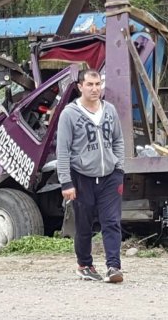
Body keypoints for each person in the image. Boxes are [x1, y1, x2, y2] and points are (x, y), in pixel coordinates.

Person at [57, 69, 126, 283]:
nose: (95, 89)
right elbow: (63, 150)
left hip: (109, 177)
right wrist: (66, 182)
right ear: (80, 87)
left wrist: (120, 168)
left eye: (98, 84)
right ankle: (84, 264)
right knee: (84, 225)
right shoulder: (69, 113)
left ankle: (113, 267)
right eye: (90, 84)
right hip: (82, 177)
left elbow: (118, 141)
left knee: (112, 221)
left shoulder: (110, 110)